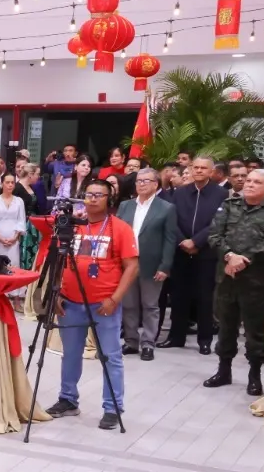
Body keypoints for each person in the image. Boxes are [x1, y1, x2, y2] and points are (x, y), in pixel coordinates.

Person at [47, 180, 139, 428]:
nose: (94, 198)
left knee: (110, 356)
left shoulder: (120, 228)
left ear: (110, 199)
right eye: (89, 194)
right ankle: (68, 399)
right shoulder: (73, 226)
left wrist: (115, 299)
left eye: (100, 195)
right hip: (70, 302)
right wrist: (57, 292)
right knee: (70, 354)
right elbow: (59, 260)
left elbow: (132, 267)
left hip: (104, 304)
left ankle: (112, 407)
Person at [204, 168, 264, 396]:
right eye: (248, 180)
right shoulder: (229, 205)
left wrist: (244, 259)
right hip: (227, 277)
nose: (249, 184)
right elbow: (214, 235)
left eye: (256, 182)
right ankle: (224, 371)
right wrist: (230, 256)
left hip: (256, 280)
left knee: (254, 329)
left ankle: (254, 375)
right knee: (226, 325)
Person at [161, 156, 225, 352]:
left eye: (203, 168)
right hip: (181, 251)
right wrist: (183, 241)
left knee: (204, 297)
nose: (198, 171)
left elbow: (218, 222)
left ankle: (204, 339)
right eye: (195, 167)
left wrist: (196, 241)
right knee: (178, 295)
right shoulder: (180, 192)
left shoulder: (221, 193)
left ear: (211, 172)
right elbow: (171, 219)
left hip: (206, 252)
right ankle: (176, 337)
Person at [117, 168, 178, 359]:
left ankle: (148, 343)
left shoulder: (166, 208)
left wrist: (165, 266)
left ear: (155, 184)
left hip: (152, 264)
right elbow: (117, 234)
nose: (141, 184)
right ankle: (131, 341)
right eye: (138, 181)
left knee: (150, 305)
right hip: (127, 263)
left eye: (146, 181)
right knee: (129, 305)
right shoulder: (125, 206)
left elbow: (170, 239)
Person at [0, 172, 28, 270]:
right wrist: (0, 238)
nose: (10, 185)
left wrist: (14, 238)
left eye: (12, 183)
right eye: (7, 182)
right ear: (2, 184)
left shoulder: (19, 201)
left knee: (13, 267)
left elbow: (21, 221)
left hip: (13, 239)